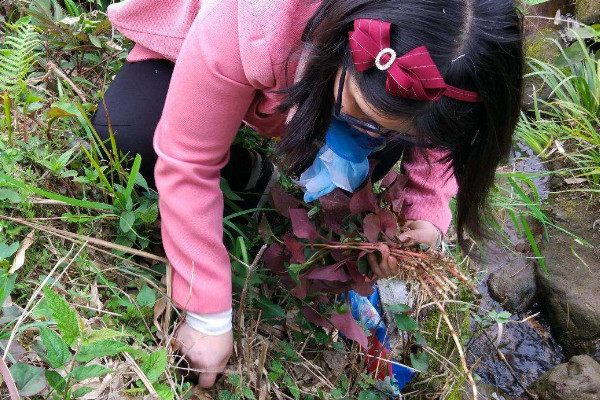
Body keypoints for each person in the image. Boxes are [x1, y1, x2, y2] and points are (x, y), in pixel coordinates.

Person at [95, 0, 523, 389]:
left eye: (397, 133)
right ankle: (257, 172)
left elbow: (440, 135)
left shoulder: (466, 32)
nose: (377, 136)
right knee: (129, 135)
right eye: (365, 113)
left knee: (382, 128)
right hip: (217, 45)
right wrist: (207, 312)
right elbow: (188, 160)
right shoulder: (257, 17)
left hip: (331, 77)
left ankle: (330, 159)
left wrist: (425, 208)